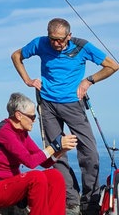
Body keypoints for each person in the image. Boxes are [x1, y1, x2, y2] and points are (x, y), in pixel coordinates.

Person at [11, 17, 119, 214]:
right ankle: (70, 200)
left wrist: (89, 81)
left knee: (90, 152)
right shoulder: (40, 43)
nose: (56, 44)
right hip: (47, 104)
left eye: (61, 39)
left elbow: (113, 65)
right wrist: (27, 79)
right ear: (48, 35)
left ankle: (90, 202)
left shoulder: (81, 46)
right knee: (56, 152)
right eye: (53, 39)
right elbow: (16, 55)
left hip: (73, 104)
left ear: (69, 36)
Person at [0, 92, 77, 215]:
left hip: (11, 185)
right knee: (36, 177)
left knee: (55, 176)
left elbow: (45, 162)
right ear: (19, 115)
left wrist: (61, 150)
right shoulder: (5, 131)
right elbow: (30, 162)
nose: (34, 121)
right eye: (32, 117)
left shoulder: (22, 133)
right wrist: (55, 146)